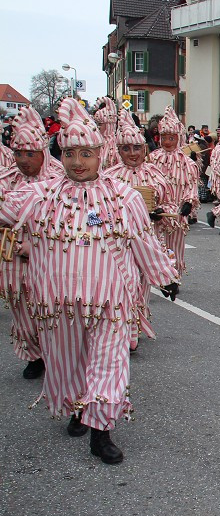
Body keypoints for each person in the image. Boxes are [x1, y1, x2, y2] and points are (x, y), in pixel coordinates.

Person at [0, 98, 179, 464]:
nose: (77, 162)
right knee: (68, 364)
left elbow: (143, 239)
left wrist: (164, 277)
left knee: (110, 363)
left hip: (110, 302)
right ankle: (76, 407)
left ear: (100, 154)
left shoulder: (123, 197)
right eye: (69, 154)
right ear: (59, 156)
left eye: (85, 153)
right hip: (57, 306)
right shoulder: (39, 196)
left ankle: (102, 431)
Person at [0, 106, 65, 379]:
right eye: (18, 153)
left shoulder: (60, 178)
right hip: (13, 259)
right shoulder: (5, 180)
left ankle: (58, 355)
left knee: (53, 310)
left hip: (51, 257)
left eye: (30, 154)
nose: (23, 160)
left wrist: (37, 244)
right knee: (22, 310)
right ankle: (34, 355)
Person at [104, 110, 177, 349]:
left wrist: (159, 213)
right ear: (119, 151)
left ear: (144, 149)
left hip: (149, 239)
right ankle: (124, 329)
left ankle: (134, 329)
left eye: (137, 148)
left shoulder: (156, 175)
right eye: (126, 149)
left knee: (143, 284)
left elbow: (169, 203)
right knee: (123, 284)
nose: (133, 154)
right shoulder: (108, 178)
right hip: (119, 244)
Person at [147, 107, 198, 286]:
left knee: (175, 245)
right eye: (164, 138)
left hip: (176, 212)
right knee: (154, 243)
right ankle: (155, 274)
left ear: (178, 138)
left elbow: (191, 185)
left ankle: (173, 276)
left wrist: (189, 203)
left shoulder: (187, 162)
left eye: (171, 138)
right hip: (155, 211)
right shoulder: (152, 159)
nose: (167, 142)